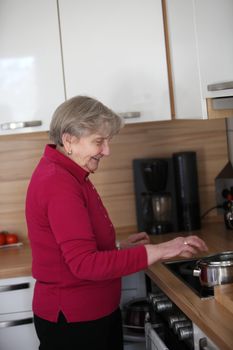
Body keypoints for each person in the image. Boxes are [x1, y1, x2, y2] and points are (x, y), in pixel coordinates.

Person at [25, 95, 208, 350]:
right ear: (69, 140)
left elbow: (72, 245)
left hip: (86, 313)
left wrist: (117, 246)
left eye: (108, 141)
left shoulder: (68, 172)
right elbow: (84, 264)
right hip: (75, 322)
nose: (107, 151)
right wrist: (161, 250)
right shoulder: (59, 183)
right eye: (99, 141)